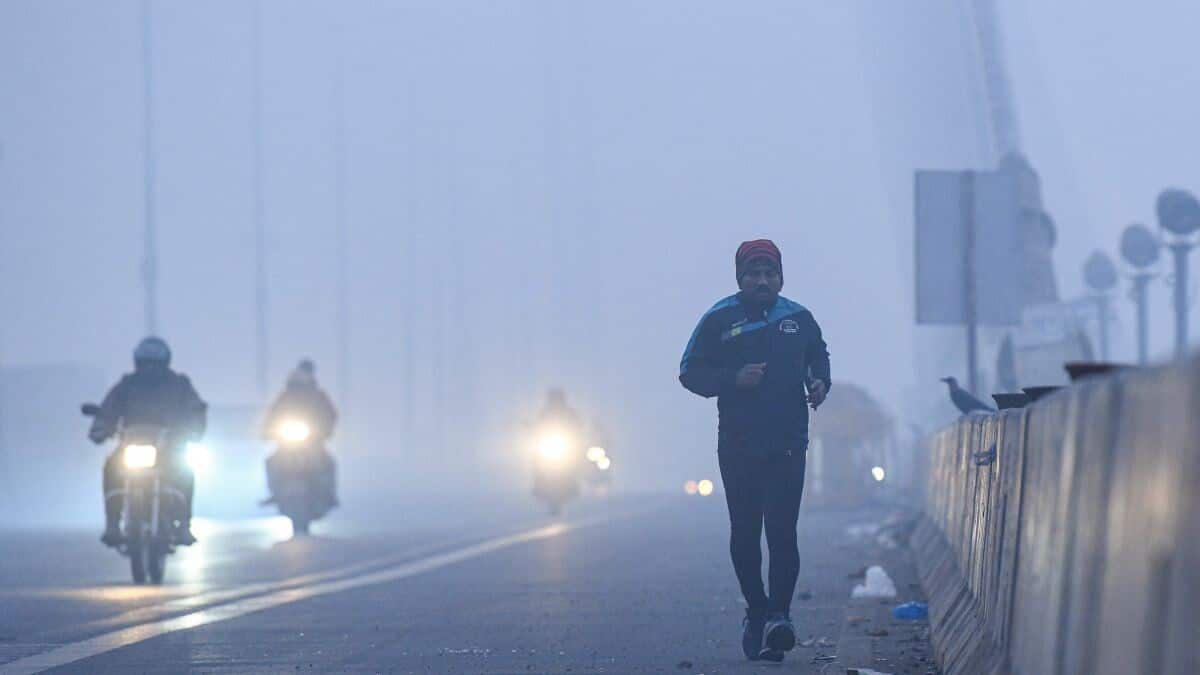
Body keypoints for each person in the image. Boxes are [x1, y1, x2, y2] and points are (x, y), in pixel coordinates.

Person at [678, 239, 831, 663]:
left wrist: (820, 384)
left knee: (782, 534)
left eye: (770, 274)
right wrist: (732, 378)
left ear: (781, 277)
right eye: (754, 274)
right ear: (740, 278)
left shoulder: (799, 318)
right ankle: (758, 611)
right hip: (739, 447)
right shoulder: (719, 318)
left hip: (788, 445)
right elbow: (690, 372)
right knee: (745, 534)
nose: (762, 281)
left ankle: (780, 617)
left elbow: (819, 356)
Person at [90, 337, 207, 546]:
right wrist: (100, 428)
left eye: (155, 364)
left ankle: (184, 525)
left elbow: (195, 409)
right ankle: (113, 524)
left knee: (185, 471)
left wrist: (192, 429)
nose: (151, 370)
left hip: (169, 446)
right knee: (110, 467)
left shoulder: (179, 384)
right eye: (146, 363)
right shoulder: (126, 385)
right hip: (130, 445)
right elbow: (109, 409)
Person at [262, 359, 339, 505]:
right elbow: (272, 415)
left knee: (328, 462)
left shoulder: (319, 396)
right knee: (271, 461)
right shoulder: (285, 396)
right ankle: (273, 491)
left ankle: (329, 493)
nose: (304, 377)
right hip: (287, 442)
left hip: (313, 441)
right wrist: (266, 430)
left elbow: (331, 414)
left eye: (307, 374)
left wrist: (326, 430)